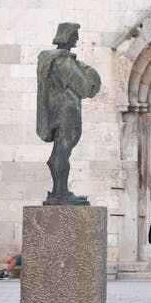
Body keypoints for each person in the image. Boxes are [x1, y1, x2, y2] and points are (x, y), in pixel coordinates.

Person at [37, 22, 101, 206]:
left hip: (60, 110)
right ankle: (60, 192)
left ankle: (60, 191)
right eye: (75, 35)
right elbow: (83, 86)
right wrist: (91, 77)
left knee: (61, 150)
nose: (77, 39)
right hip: (67, 110)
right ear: (67, 36)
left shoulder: (58, 60)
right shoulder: (62, 61)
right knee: (62, 150)